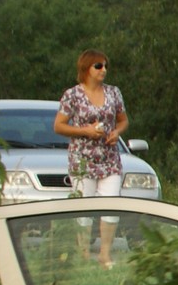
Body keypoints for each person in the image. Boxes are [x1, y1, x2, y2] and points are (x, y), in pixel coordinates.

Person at [54, 49, 129, 267]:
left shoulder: (114, 93)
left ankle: (105, 255)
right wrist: (85, 131)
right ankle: (84, 254)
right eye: (98, 66)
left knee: (111, 204)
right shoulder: (73, 95)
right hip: (83, 159)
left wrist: (117, 132)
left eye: (105, 66)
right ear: (86, 68)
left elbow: (123, 120)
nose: (103, 70)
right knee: (84, 208)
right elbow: (59, 126)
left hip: (109, 158)